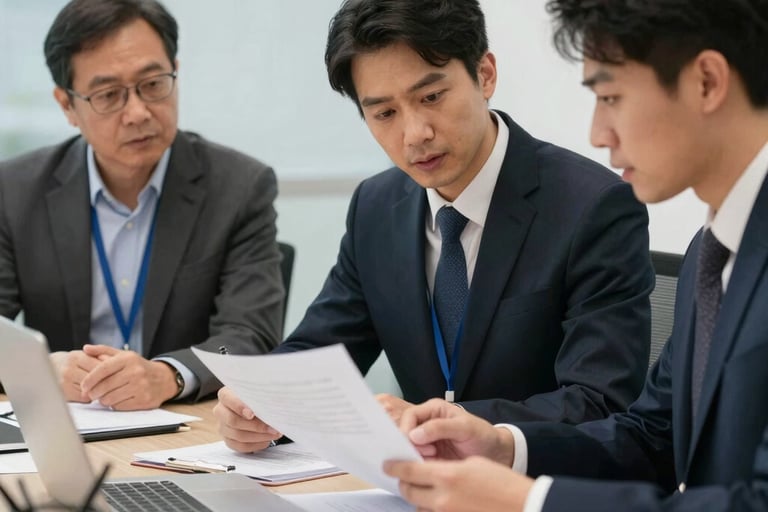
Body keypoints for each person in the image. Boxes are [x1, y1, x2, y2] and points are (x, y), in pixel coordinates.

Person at [214, 0, 654, 451]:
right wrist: (260, 405)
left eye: (431, 97)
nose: (414, 133)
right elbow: (319, 355)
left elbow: (600, 401)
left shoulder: (590, 207)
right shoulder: (376, 206)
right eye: (385, 113)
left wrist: (461, 422)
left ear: (485, 75)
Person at [384, 1, 768, 511]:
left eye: (610, 97)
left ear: (706, 82)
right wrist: (505, 447)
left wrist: (532, 502)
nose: (597, 133)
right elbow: (652, 436)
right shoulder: (715, 247)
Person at [0, 0, 283, 411]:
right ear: (67, 106)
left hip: (186, 432)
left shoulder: (240, 187)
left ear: (176, 75)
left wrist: (169, 375)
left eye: (153, 85)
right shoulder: (14, 191)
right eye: (109, 95)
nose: (137, 112)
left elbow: (249, 334)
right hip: (68, 426)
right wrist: (41, 370)